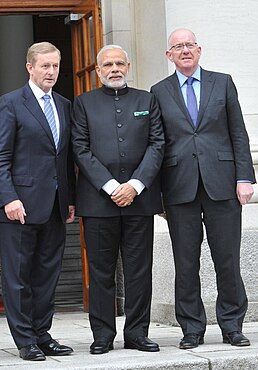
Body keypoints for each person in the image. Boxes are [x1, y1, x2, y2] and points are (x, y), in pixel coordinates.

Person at [151, 28, 255, 349]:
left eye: (189, 45)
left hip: (222, 184)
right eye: (177, 47)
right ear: (169, 55)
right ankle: (192, 328)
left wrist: (245, 178)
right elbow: (156, 144)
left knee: (227, 259)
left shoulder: (221, 82)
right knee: (186, 262)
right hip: (179, 188)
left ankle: (232, 325)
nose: (184, 50)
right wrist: (158, 195)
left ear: (199, 50)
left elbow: (238, 132)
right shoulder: (158, 91)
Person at [72, 45, 165, 354]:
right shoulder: (83, 104)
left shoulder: (146, 100)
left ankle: (137, 333)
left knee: (140, 271)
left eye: (119, 63)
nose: (114, 68)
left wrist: (135, 185)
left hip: (139, 201)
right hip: (98, 203)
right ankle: (102, 335)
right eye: (107, 64)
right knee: (100, 272)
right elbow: (80, 149)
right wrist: (111, 186)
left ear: (128, 66)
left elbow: (157, 145)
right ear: (98, 71)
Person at [0, 41, 76, 361]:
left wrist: (70, 198)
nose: (51, 72)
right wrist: (9, 197)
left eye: (55, 66)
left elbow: (64, 159)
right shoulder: (10, 103)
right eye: (45, 66)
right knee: (19, 276)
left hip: (55, 204)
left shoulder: (65, 105)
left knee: (47, 274)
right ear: (30, 67)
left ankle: (42, 333)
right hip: (19, 206)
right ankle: (25, 339)